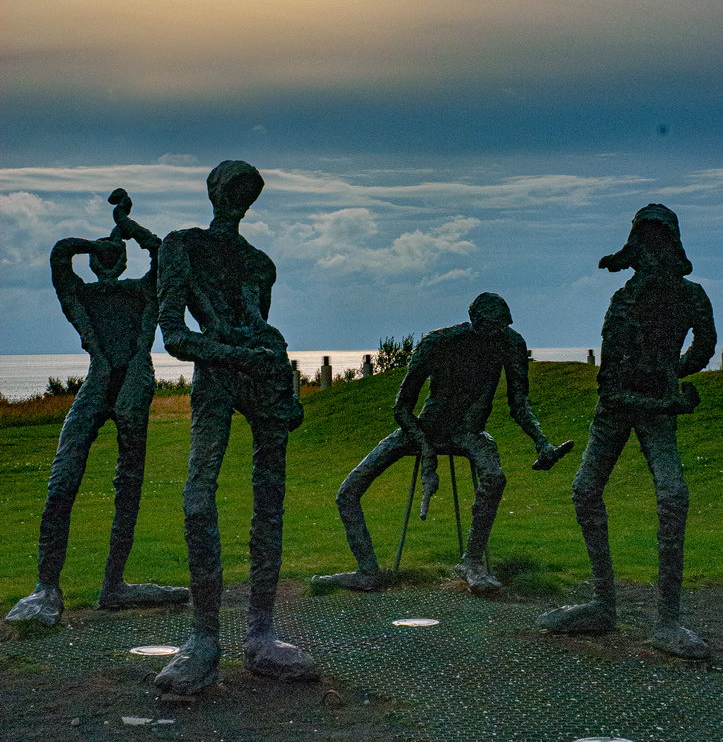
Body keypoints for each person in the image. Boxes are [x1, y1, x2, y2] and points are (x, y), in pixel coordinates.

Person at [154, 161, 316, 694]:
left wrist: (280, 377)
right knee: (199, 496)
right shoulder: (182, 246)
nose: (238, 200)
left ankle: (261, 634)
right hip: (220, 379)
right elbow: (175, 337)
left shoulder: (260, 263)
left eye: (248, 193)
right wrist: (234, 354)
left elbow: (262, 328)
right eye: (231, 190)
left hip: (262, 376)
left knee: (270, 500)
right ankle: (203, 638)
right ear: (213, 191)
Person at [538, 204, 716, 659]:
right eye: (647, 244)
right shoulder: (624, 301)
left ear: (672, 246)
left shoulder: (691, 296)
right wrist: (668, 397)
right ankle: (602, 603)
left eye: (662, 242)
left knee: (673, 496)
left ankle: (668, 620)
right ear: (638, 249)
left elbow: (705, 344)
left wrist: (671, 374)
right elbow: (611, 390)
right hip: (620, 410)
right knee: (585, 490)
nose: (655, 253)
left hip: (656, 404)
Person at [6, 190, 187, 629]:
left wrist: (125, 225)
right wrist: (98, 241)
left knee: (129, 479)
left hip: (134, 384)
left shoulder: (142, 292)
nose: (109, 259)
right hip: (99, 381)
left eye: (115, 254)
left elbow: (162, 254)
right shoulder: (83, 297)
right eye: (103, 256)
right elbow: (59, 255)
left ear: (124, 261)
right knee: (63, 476)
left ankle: (114, 584)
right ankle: (46, 586)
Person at [313, 293, 573, 595]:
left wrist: (541, 443)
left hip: (468, 432)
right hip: (425, 427)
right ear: (474, 319)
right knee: (348, 492)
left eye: (502, 327)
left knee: (495, 477)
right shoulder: (436, 343)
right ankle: (367, 570)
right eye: (490, 326)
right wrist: (424, 446)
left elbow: (519, 403)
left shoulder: (510, 344)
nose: (496, 334)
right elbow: (402, 407)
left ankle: (472, 562)